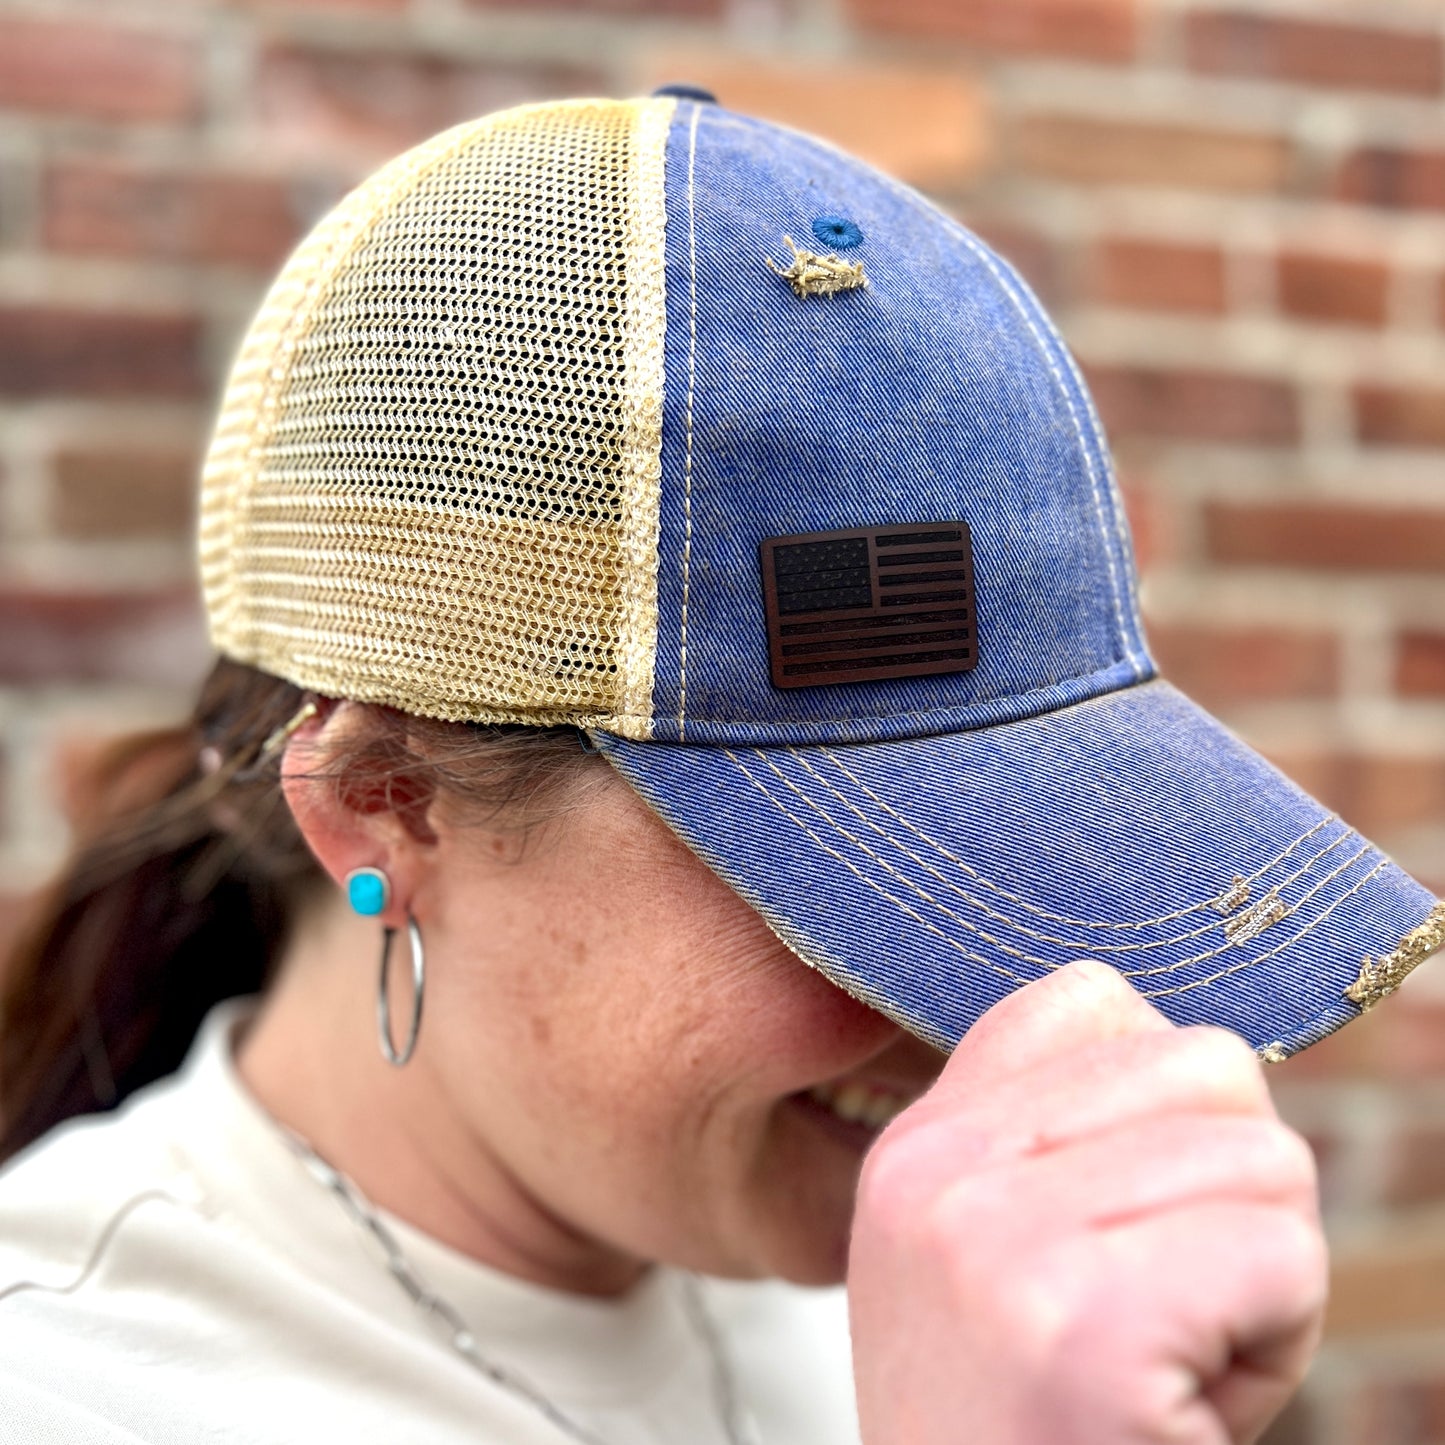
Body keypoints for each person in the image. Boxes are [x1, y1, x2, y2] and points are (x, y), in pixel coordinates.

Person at [1, 88, 1441, 1445]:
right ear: (386, 808)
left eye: (1035, 845)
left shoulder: (941, 1281)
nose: (1029, 1008)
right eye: (844, 876)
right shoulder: (76, 1386)